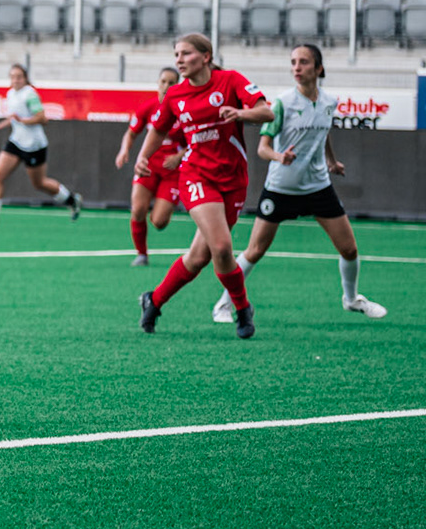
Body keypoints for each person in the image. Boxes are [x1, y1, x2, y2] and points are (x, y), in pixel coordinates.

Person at [211, 44, 387, 323]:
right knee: (255, 250)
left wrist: (331, 160)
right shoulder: (282, 103)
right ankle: (223, 304)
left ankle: (352, 299)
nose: (296, 67)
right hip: (281, 188)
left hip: (318, 186)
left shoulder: (329, 101)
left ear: (318, 68)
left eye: (303, 62)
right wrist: (280, 157)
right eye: (293, 62)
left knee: (350, 249)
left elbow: (322, 132)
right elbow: (263, 149)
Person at [134, 33, 274, 339]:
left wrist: (241, 113)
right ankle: (242, 310)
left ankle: (153, 300)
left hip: (234, 180)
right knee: (222, 248)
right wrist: (143, 156)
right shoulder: (175, 95)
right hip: (196, 176)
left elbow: (267, 112)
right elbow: (157, 129)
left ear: (206, 56)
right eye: (176, 55)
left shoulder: (231, 81)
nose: (179, 60)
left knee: (199, 258)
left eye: (186, 53)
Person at [0, 64, 81, 224]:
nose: (15, 80)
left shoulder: (29, 94)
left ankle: (71, 200)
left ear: (25, 78)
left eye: (19, 77)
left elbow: (42, 118)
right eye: (12, 77)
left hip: (34, 145)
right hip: (16, 141)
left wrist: (24, 121)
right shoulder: (11, 94)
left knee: (39, 183)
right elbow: (14, 117)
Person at [117, 67, 183, 267]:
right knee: (137, 209)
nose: (166, 86)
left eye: (171, 82)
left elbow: (196, 142)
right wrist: (124, 151)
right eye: (163, 81)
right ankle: (142, 254)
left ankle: (164, 204)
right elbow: (131, 133)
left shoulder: (184, 111)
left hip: (172, 171)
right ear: (157, 83)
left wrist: (179, 157)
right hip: (148, 167)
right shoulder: (149, 108)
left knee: (159, 222)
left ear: (178, 86)